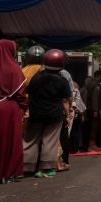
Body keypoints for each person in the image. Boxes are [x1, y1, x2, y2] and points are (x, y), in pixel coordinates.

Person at [23, 49, 71, 178]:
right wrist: (67, 116)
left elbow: (30, 96)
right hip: (54, 115)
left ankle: (26, 167)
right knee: (49, 141)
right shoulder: (62, 81)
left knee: (30, 140)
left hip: (36, 113)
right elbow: (65, 101)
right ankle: (46, 168)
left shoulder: (36, 77)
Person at [0, 39, 27, 184]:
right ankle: (11, 172)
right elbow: (20, 94)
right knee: (12, 141)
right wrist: (24, 107)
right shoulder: (13, 68)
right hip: (9, 108)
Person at [80, 70, 101, 151]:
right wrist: (95, 110)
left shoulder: (87, 83)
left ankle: (86, 145)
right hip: (93, 109)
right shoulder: (96, 85)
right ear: (99, 76)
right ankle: (92, 145)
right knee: (94, 127)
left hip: (86, 109)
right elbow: (95, 98)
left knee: (87, 127)